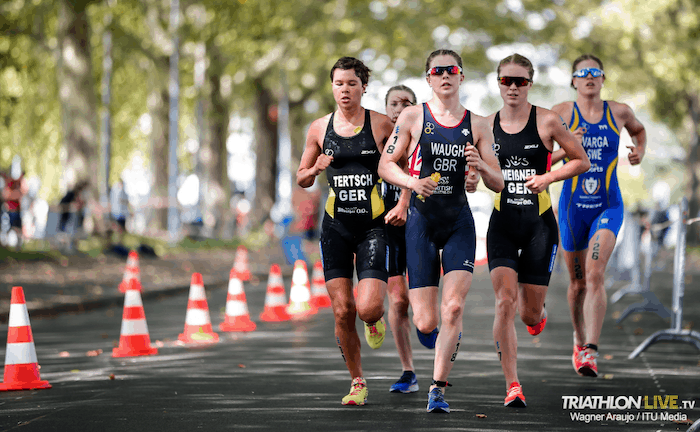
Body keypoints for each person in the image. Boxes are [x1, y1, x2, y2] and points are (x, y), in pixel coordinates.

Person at [378, 49, 504, 413]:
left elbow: (498, 182)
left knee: (452, 307)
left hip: (459, 225)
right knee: (425, 319)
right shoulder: (414, 117)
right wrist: (411, 183)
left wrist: (480, 166)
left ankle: (437, 387)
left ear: (461, 76)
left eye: (452, 70)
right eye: (438, 71)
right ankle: (434, 336)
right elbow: (386, 163)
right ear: (428, 78)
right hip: (421, 223)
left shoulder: (479, 124)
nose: (445, 76)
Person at [485, 54, 590, 407]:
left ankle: (538, 314)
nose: (513, 87)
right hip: (501, 224)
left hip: (538, 226)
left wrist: (548, 176)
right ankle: (512, 384)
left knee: (528, 313)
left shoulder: (547, 121)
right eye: (507, 81)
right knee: (504, 303)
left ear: (530, 83)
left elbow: (581, 160)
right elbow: (481, 173)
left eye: (520, 81)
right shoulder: (485, 125)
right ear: (498, 83)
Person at [296, 56, 394, 406]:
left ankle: (373, 320)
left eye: (352, 83)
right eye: (339, 84)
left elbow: (401, 168)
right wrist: (315, 168)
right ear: (332, 87)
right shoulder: (319, 129)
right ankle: (357, 382)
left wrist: (404, 202)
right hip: (335, 227)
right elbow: (302, 178)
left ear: (363, 86)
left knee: (367, 309)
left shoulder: (381, 125)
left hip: (372, 228)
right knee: (341, 311)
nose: (345, 90)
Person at [551, 54, 646, 378]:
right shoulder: (562, 113)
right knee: (577, 284)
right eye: (583, 73)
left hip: (608, 204)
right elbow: (542, 160)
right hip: (571, 208)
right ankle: (579, 339)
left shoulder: (618, 111)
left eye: (596, 72)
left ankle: (590, 350)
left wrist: (639, 151)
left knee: (594, 274)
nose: (590, 77)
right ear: (574, 80)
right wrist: (567, 148)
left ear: (603, 79)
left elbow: (639, 130)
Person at [382, 85, 419, 393]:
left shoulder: (422, 140)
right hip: (387, 229)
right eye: (394, 103)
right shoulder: (378, 142)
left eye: (406, 103)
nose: (399, 107)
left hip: (420, 226)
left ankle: (427, 323)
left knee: (422, 309)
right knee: (398, 299)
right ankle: (408, 370)